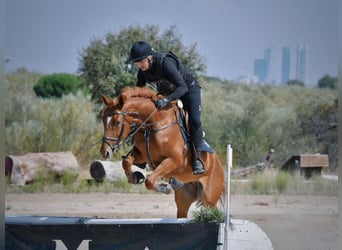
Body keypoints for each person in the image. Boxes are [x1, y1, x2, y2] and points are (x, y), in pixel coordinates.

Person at [127, 41, 205, 175]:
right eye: (137, 62)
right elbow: (138, 91)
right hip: (167, 93)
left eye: (141, 61)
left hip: (188, 90)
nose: (139, 65)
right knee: (150, 117)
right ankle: (144, 153)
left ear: (149, 57)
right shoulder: (143, 71)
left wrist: (166, 99)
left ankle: (196, 158)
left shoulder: (165, 63)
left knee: (195, 120)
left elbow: (182, 87)